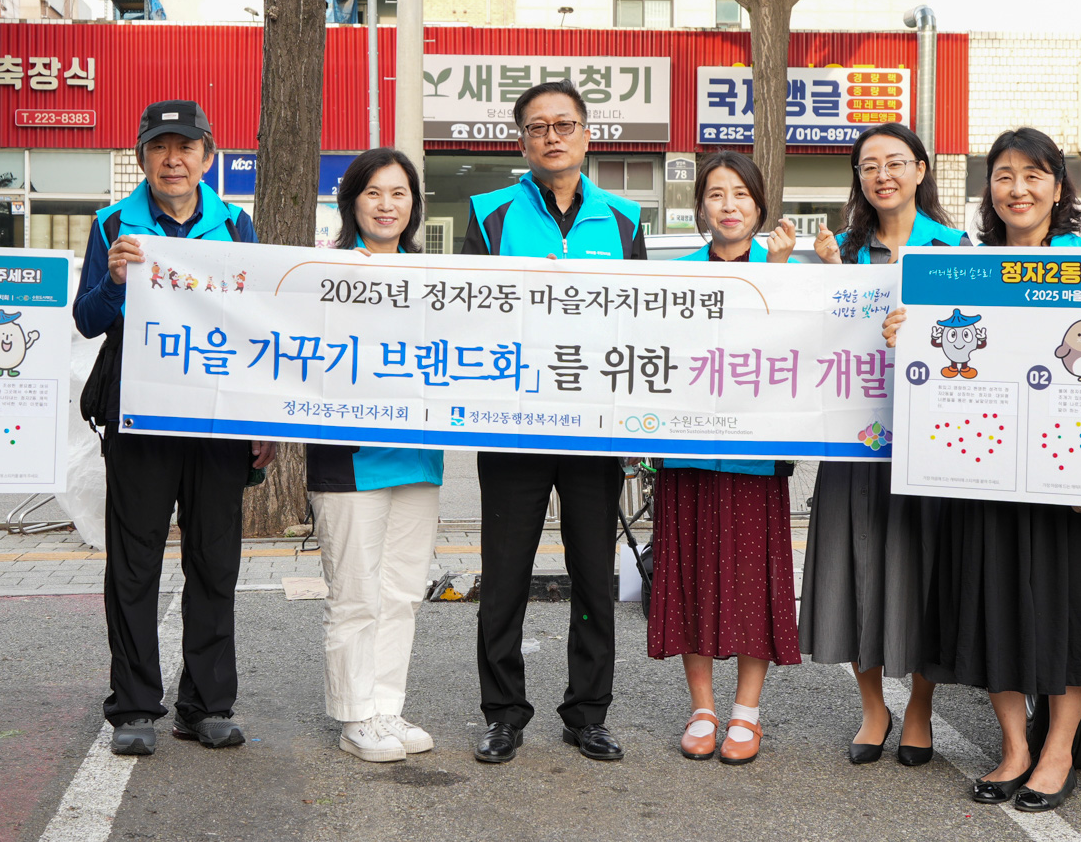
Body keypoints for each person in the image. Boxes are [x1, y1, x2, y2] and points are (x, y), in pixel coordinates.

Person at [900, 127, 1081, 812]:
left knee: (1073, 610)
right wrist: (905, 333)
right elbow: (940, 356)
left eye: (1033, 174)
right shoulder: (965, 267)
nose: (1018, 188)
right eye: (1004, 174)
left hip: (1077, 473)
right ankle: (1014, 747)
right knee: (993, 603)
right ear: (988, 188)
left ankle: (1058, 751)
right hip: (986, 471)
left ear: (1058, 187)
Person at [74, 100, 275, 758]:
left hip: (216, 418)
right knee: (133, 565)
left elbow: (255, 325)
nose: (172, 159)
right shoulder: (112, 223)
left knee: (214, 563)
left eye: (185, 146)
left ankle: (207, 705)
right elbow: (87, 319)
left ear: (207, 156)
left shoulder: (236, 225)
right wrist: (113, 280)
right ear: (141, 157)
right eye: (159, 146)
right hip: (139, 417)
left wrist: (262, 419)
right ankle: (133, 706)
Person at [462, 79, 646, 764]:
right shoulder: (489, 214)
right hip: (511, 423)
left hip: (594, 426)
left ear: (587, 135)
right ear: (522, 142)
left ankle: (587, 712)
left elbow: (642, 321)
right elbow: (467, 311)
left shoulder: (624, 218)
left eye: (564, 124)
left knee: (593, 575)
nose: (552, 136)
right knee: (504, 575)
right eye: (538, 126)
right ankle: (503, 712)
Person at [801, 121, 966, 767]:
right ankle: (874, 707)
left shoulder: (955, 248)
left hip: (932, 444)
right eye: (869, 165)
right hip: (853, 442)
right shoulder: (840, 250)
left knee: (927, 575)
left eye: (895, 162)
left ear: (921, 170)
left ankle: (919, 707)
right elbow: (806, 340)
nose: (882, 175)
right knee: (852, 572)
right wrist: (826, 277)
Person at [652, 151, 800, 765]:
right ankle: (703, 708)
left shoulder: (788, 272)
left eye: (741, 194)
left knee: (752, 581)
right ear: (700, 208)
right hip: (685, 455)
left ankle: (747, 712)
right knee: (690, 575)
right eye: (716, 194)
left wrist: (784, 275)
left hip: (758, 460)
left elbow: (804, 354)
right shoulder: (675, 277)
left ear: (760, 207)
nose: (729, 205)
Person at [307, 149, 445, 763]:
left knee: (402, 591)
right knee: (355, 592)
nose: (387, 206)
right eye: (373, 193)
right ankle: (355, 714)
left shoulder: (436, 278)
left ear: (414, 204)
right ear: (351, 203)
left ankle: (387, 706)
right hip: (349, 458)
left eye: (399, 193)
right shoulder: (323, 272)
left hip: (418, 456)